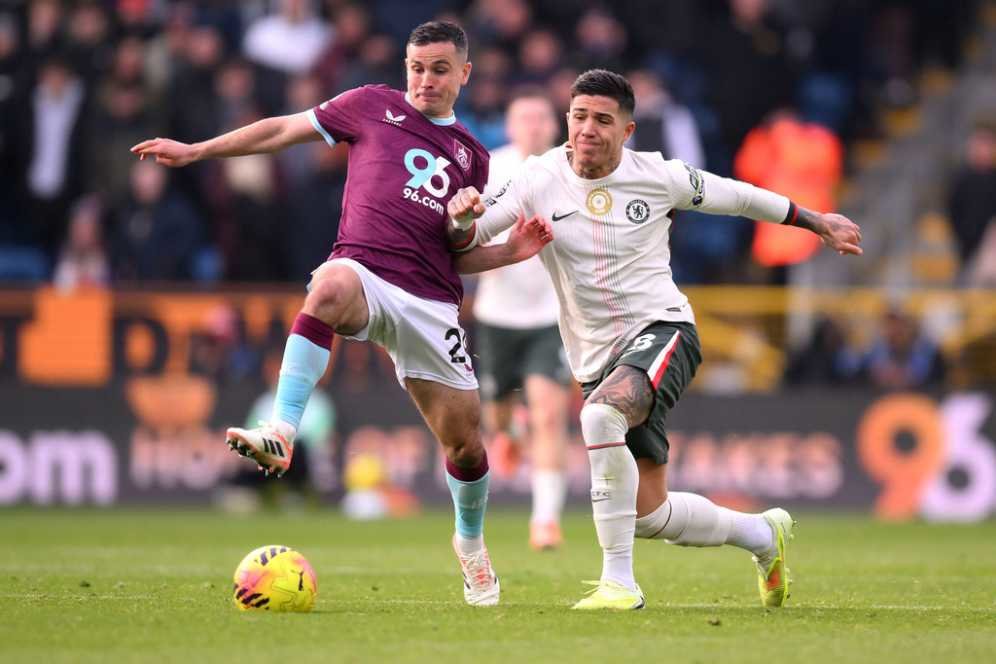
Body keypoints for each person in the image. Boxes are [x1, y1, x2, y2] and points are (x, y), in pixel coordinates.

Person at [131, 21, 552, 607]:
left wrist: (503, 247)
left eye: (439, 69)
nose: (425, 80)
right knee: (327, 284)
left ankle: (470, 542)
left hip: (430, 303)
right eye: (416, 67)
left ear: (464, 73)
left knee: (466, 447)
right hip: (365, 274)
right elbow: (282, 129)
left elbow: (457, 250)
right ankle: (281, 431)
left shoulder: (474, 158)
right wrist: (199, 150)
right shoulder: (370, 105)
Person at [448, 69, 862, 610]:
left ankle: (619, 584)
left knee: (599, 416)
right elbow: (470, 236)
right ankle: (763, 534)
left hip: (663, 329)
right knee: (648, 514)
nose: (588, 129)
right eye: (579, 117)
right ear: (567, 120)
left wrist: (815, 221)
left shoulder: (660, 176)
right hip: (595, 357)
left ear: (627, 130)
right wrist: (461, 219)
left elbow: (738, 197)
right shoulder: (536, 178)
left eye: (603, 120)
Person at [472, 89, 571, 550]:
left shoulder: (572, 170)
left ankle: (545, 520)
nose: (533, 125)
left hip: (551, 314)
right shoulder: (491, 169)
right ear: (510, 127)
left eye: (540, 117)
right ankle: (509, 432)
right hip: (498, 315)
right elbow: (466, 231)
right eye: (523, 118)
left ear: (554, 125)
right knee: (495, 416)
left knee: (549, 414)